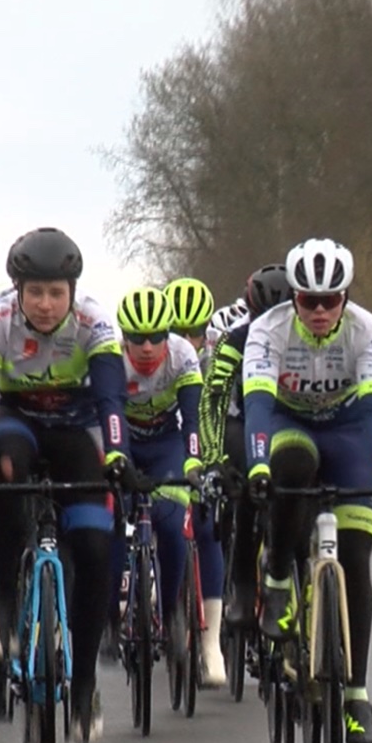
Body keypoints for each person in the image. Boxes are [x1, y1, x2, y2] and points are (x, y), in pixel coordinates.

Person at [0, 228, 137, 739]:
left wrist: (119, 453)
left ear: (73, 292)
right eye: (34, 292)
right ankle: (7, 613)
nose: (44, 303)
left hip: (75, 429)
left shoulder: (95, 323)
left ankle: (82, 687)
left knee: (96, 546)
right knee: (4, 469)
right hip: (16, 421)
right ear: (17, 290)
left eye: (56, 292)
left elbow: (111, 403)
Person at [240, 239, 372, 743]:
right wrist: (257, 465)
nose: (318, 311)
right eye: (307, 300)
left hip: (348, 431)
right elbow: (259, 409)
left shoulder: (368, 330)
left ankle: (356, 696)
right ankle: (275, 578)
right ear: (293, 297)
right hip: (290, 426)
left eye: (329, 300)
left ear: (344, 297)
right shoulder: (266, 332)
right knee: (292, 467)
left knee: (357, 557)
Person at [107, 286, 205, 670]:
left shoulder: (183, 355)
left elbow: (192, 420)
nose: (147, 348)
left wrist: (194, 462)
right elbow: (106, 417)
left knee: (169, 519)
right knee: (112, 523)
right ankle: (110, 621)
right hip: (125, 445)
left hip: (166, 444)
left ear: (169, 335)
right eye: (136, 339)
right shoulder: (111, 361)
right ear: (124, 338)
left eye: (156, 338)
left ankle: (172, 612)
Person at [199, 263, 293, 628]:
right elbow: (213, 399)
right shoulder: (236, 339)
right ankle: (242, 584)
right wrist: (214, 459)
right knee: (249, 491)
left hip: (292, 420)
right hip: (241, 418)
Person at [161, 277, 226, 684]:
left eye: (197, 332)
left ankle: (212, 642)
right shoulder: (155, 351)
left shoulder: (222, 351)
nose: (190, 340)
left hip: (211, 437)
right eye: (179, 332)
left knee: (209, 526)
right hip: (167, 436)